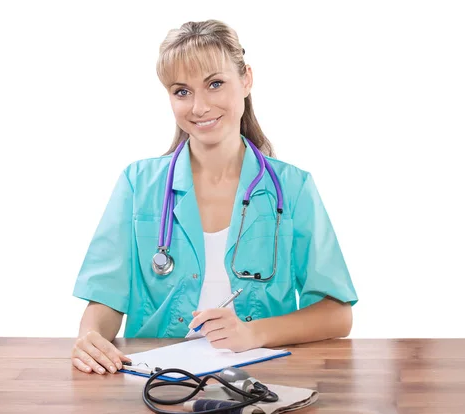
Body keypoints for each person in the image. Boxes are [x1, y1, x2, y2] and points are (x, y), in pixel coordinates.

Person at [70, 19, 358, 375]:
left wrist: (253, 333)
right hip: (157, 382)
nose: (199, 107)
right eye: (181, 91)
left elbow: (336, 313)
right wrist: (90, 335)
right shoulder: (137, 184)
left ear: (246, 79)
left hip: (263, 381)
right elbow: (106, 301)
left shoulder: (293, 188)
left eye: (215, 84)